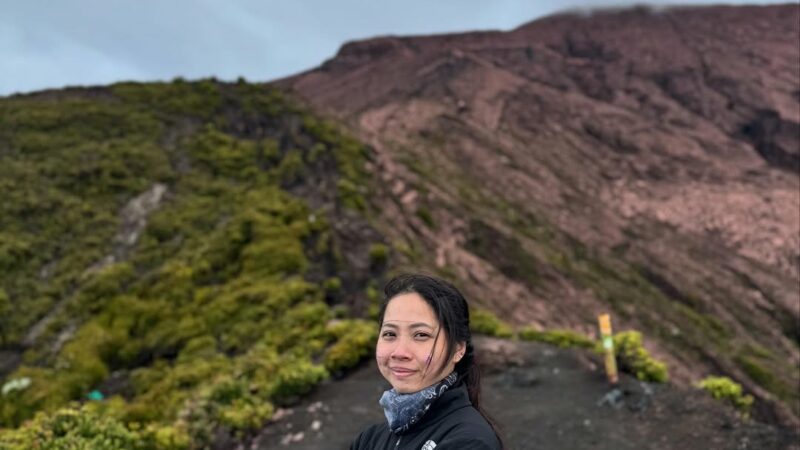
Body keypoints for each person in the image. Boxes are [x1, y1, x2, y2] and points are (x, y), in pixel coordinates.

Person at [351, 273, 503, 450]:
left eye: (421, 335)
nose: (400, 352)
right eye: (390, 334)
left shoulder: (470, 441)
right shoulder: (369, 440)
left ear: (458, 349)